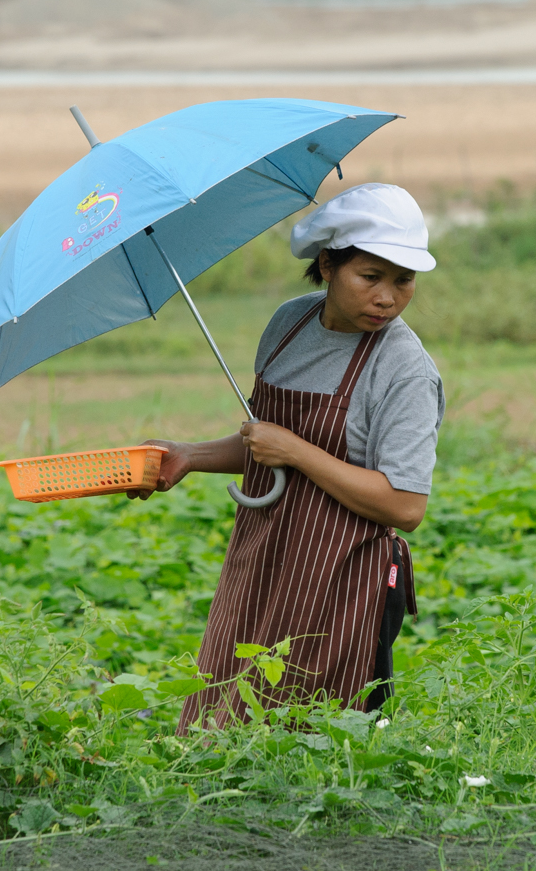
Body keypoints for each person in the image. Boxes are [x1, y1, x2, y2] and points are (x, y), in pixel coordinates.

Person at [131, 184, 444, 733]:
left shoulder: (404, 370)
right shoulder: (288, 326)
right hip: (261, 559)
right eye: (370, 277)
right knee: (221, 718)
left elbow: (405, 504)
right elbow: (265, 443)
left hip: (343, 580)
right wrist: (189, 455)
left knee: (308, 739)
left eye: (404, 280)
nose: (388, 298)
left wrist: (297, 452)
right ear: (327, 264)